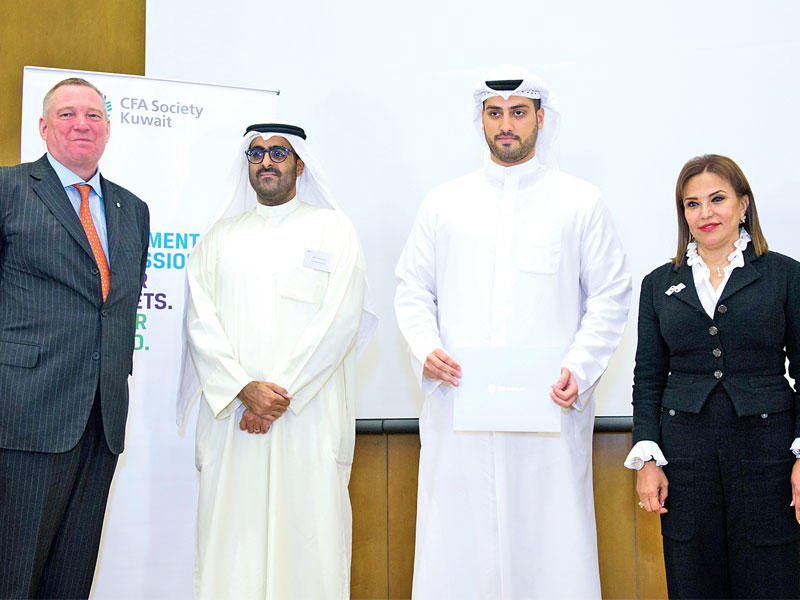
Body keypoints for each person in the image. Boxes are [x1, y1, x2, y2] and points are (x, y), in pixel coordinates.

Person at [394, 64, 631, 599]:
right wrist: (426, 348)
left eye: (519, 113)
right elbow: (412, 289)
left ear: (540, 119)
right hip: (460, 410)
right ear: (480, 119)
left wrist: (580, 368)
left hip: (548, 412)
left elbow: (611, 294)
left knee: (551, 551)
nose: (506, 125)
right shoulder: (444, 203)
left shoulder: (579, 201)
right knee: (459, 550)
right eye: (495, 113)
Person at [184, 123, 376, 599]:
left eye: (278, 152)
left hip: (306, 419)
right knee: (232, 546)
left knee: (308, 542)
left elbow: (341, 320)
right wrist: (243, 389)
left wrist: (277, 395)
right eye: (256, 153)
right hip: (234, 420)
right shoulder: (219, 238)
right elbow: (200, 323)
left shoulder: (333, 230)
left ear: (300, 164)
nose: (266, 161)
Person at [0, 77, 149, 598]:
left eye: (93, 115)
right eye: (67, 114)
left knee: (72, 576)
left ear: (107, 129)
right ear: (43, 128)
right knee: (11, 573)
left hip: (100, 419)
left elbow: (116, 306)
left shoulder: (133, 209)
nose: (81, 124)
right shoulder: (9, 189)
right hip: (23, 415)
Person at [626, 154, 800, 599]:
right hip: (686, 462)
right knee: (692, 579)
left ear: (743, 204)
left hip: (767, 456)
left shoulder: (785, 275)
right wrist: (647, 460)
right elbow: (648, 378)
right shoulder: (658, 284)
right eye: (692, 203)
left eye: (717, 199)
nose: (705, 213)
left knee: (772, 578)